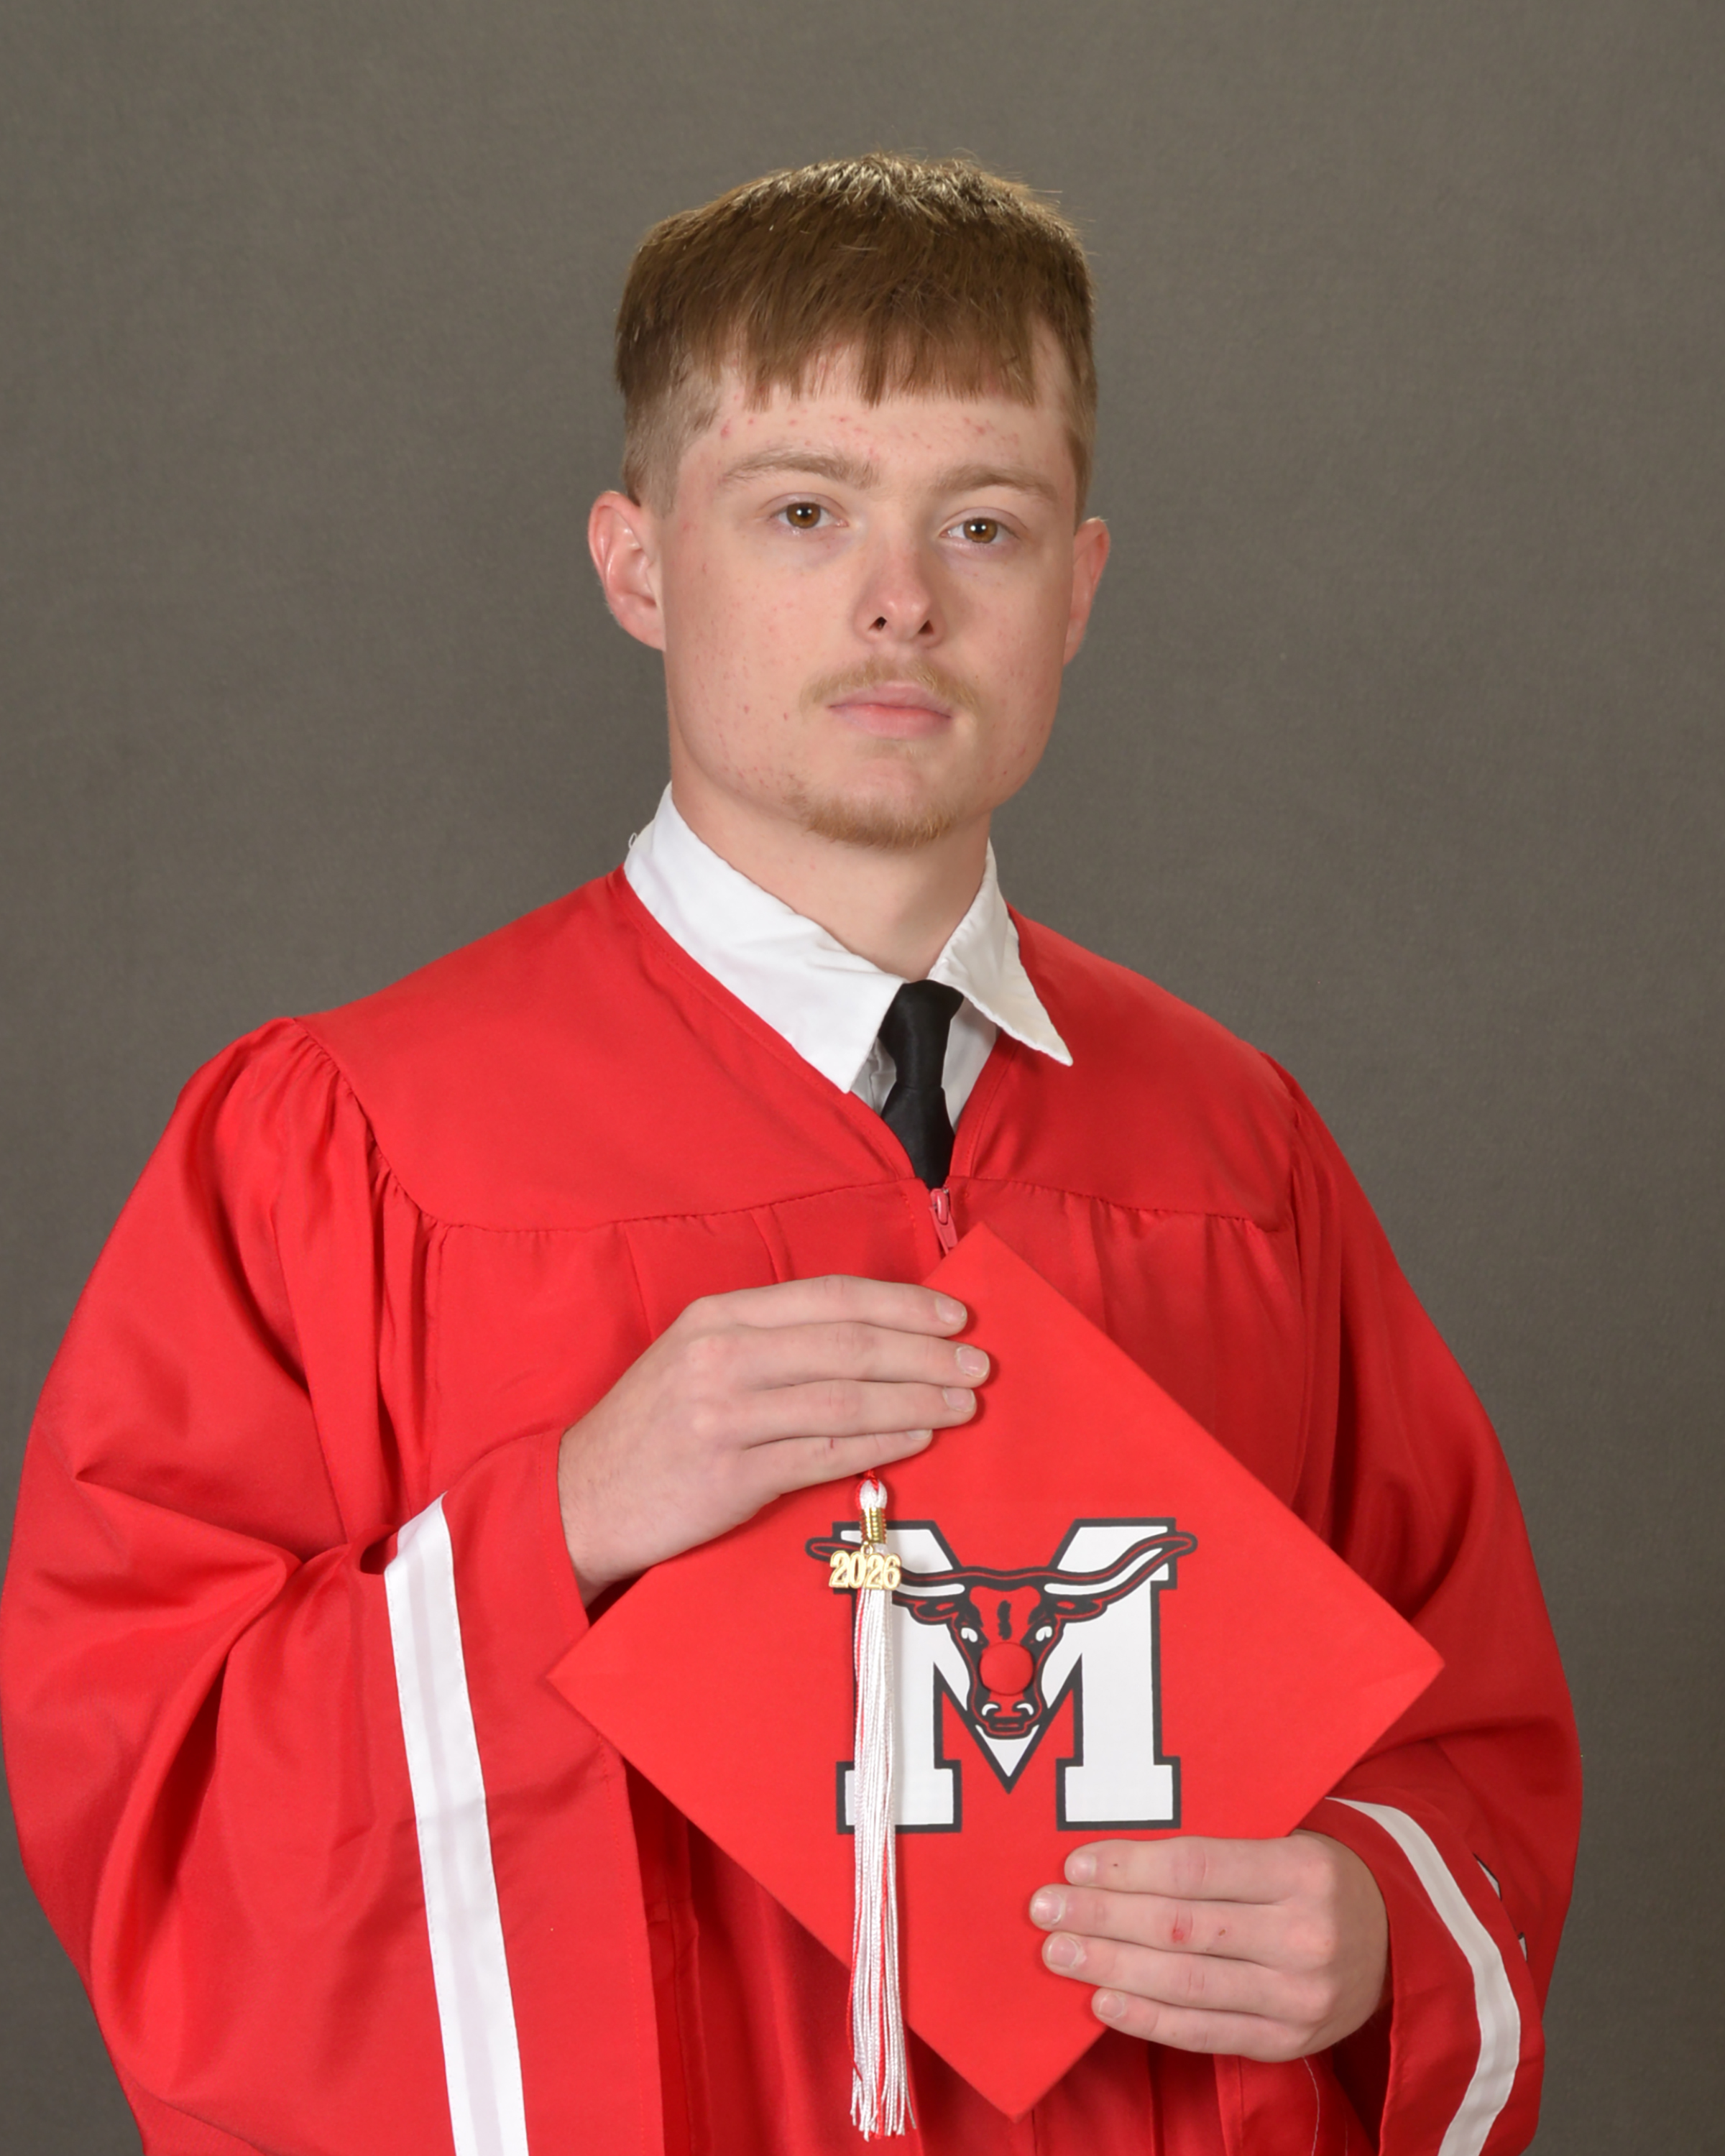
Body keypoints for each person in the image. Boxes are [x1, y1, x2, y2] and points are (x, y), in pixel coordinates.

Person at [0, 155, 1578, 2156]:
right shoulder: (356, 1144)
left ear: (1080, 589)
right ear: (638, 563)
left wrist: (1368, 1920)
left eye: (983, 523)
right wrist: (559, 1523)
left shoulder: (1233, 1155)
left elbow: (1466, 1732)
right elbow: (145, 1772)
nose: (901, 596)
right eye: (804, 510)